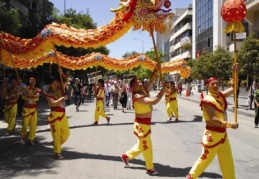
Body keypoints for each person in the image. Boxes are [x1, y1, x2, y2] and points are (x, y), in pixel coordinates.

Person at [186, 64, 239, 179]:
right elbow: (213, 120)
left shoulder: (219, 95)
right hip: (212, 136)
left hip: (223, 135)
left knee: (227, 162)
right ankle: (190, 177)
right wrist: (230, 125)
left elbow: (234, 88)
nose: (215, 86)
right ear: (207, 86)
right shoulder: (207, 101)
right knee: (204, 160)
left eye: (216, 83)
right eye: (212, 84)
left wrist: (234, 73)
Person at [121, 64, 165, 175]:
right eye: (137, 83)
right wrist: (162, 92)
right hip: (141, 126)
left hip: (145, 124)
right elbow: (154, 101)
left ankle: (126, 156)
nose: (140, 83)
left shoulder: (143, 91)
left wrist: (156, 70)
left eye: (140, 81)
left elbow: (151, 80)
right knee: (147, 147)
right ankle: (150, 168)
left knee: (141, 145)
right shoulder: (137, 96)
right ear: (133, 87)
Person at [44, 69, 70, 159]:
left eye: (56, 82)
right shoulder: (47, 93)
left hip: (63, 113)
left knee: (66, 133)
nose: (55, 84)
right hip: (54, 115)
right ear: (49, 84)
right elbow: (53, 103)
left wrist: (62, 73)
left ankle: (56, 143)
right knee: (56, 134)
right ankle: (57, 152)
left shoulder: (60, 88)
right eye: (53, 83)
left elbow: (67, 80)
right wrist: (63, 98)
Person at [20, 77, 41, 146]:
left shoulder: (37, 89)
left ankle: (31, 139)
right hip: (26, 109)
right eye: (30, 80)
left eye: (33, 80)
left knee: (33, 125)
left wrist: (30, 96)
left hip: (34, 109)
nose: (31, 81)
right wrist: (31, 96)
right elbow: (24, 96)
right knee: (25, 125)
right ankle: (22, 137)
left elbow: (37, 96)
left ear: (35, 81)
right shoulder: (25, 88)